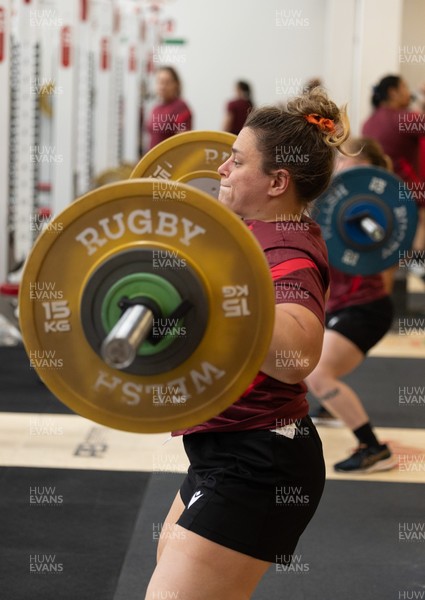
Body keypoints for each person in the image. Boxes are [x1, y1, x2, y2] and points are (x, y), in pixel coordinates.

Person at [145, 88, 350, 600]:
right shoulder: (253, 234)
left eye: (236, 161)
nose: (221, 170)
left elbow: (297, 356)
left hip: (260, 460)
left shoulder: (285, 247)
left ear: (278, 181)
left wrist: (215, 286)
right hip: (226, 450)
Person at [307, 137, 398, 473]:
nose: (343, 174)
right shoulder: (334, 206)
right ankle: (332, 405)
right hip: (343, 305)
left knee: (319, 374)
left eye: (352, 168)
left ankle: (373, 448)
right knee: (303, 363)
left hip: (365, 308)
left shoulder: (372, 216)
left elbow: (382, 253)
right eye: (340, 165)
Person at [362, 75, 425, 261]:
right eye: (405, 88)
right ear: (393, 92)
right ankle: (417, 262)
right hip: (407, 192)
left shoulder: (369, 121)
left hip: (378, 192)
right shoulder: (403, 118)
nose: (409, 93)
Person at [146, 66, 192, 151]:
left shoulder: (180, 107)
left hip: (170, 162)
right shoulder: (155, 108)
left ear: (176, 85)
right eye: (160, 82)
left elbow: (183, 141)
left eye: (167, 83)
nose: (162, 86)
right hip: (154, 160)